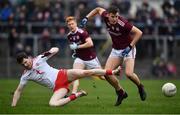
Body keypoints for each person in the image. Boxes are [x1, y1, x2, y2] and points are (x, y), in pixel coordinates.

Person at [80, 6, 147, 106]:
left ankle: (140, 86)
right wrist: (86, 17)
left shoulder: (123, 23)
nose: (115, 18)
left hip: (128, 49)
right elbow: (98, 9)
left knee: (129, 74)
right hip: (116, 50)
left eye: (116, 16)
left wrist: (130, 46)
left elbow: (139, 33)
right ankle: (121, 92)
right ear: (108, 15)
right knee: (106, 73)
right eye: (113, 16)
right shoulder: (105, 16)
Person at [11, 47, 119, 107]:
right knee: (52, 104)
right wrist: (13, 107)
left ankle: (113, 71)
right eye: (23, 64)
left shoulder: (39, 58)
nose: (25, 64)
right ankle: (77, 95)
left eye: (26, 61)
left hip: (62, 75)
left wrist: (50, 51)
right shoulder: (25, 75)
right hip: (58, 88)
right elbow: (18, 91)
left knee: (85, 73)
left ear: (28, 58)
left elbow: (56, 49)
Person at [65, 16, 105, 94]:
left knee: (102, 76)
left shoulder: (82, 32)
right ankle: (74, 93)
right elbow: (74, 46)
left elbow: (90, 43)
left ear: (76, 24)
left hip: (91, 58)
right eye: (69, 24)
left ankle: (115, 77)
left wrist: (77, 46)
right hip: (80, 59)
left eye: (72, 24)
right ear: (67, 26)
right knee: (75, 74)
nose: (71, 26)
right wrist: (75, 52)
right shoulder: (69, 36)